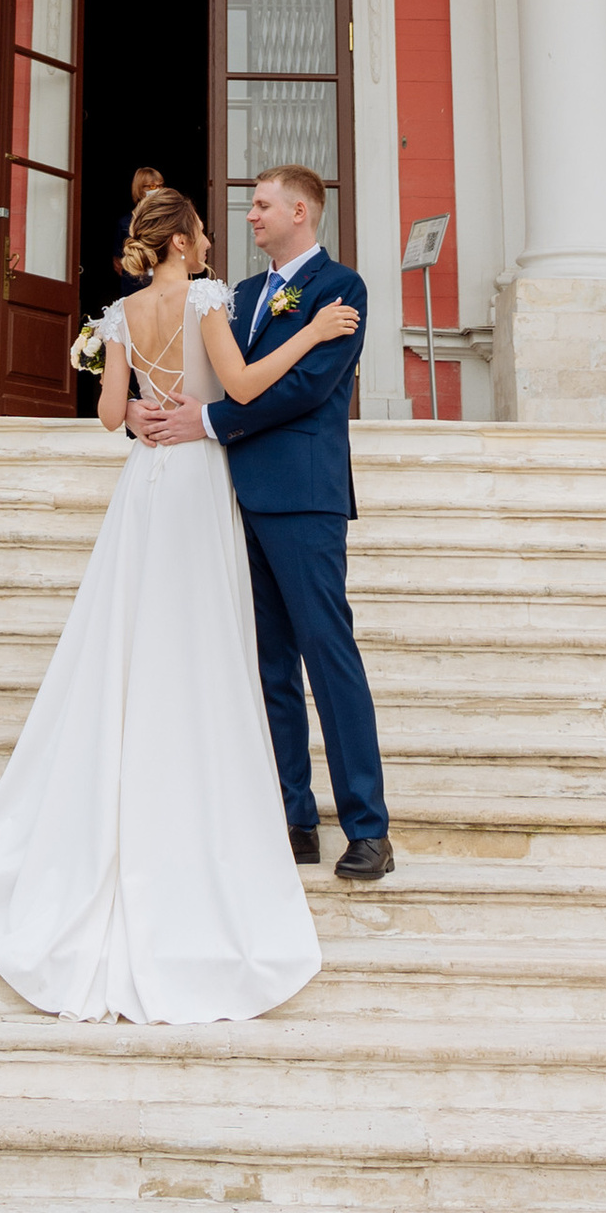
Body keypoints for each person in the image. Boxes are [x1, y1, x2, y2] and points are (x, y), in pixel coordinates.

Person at [0, 184, 361, 1021]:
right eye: (200, 232)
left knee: (132, 630)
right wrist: (308, 330)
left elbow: (104, 416)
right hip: (196, 477)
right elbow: (240, 382)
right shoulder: (203, 298)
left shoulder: (121, 313)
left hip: (143, 482)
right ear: (182, 242)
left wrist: (141, 413)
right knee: (200, 635)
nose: (209, 242)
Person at [132, 164, 393, 881]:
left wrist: (211, 420)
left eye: (263, 204)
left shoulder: (342, 291)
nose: (250, 215)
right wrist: (145, 411)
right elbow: (217, 372)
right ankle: (294, 818)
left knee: (327, 656)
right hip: (233, 498)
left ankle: (368, 827)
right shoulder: (239, 294)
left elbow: (309, 389)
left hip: (304, 497)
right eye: (250, 207)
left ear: (301, 211)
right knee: (270, 666)